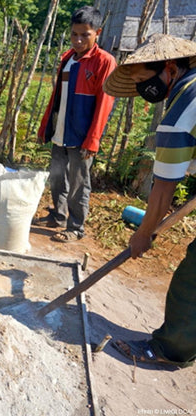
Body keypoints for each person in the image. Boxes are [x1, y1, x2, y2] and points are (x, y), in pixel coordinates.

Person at [103, 33, 196, 368]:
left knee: (192, 280)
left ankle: (167, 351)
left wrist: (143, 233)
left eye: (145, 80)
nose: (144, 89)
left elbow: (163, 189)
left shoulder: (184, 103)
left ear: (169, 68)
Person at [36, 6, 116, 243]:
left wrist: (93, 139)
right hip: (60, 130)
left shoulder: (104, 62)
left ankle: (76, 227)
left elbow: (104, 104)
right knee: (57, 176)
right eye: (74, 34)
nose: (78, 40)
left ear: (98, 32)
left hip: (81, 136)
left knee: (79, 184)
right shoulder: (68, 58)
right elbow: (56, 98)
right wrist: (45, 127)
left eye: (85, 35)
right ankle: (58, 216)